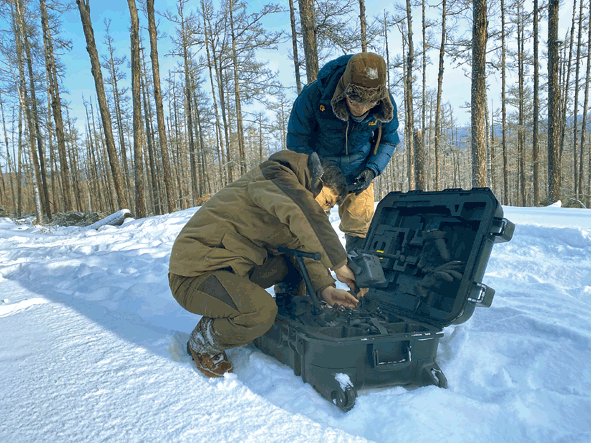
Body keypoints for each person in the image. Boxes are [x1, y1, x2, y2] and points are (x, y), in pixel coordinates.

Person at [168, 150, 366, 378]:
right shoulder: (275, 177)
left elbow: (303, 248)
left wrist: (326, 288)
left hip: (233, 268)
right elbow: (304, 212)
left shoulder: (292, 196)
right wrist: (339, 263)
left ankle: (286, 316)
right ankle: (204, 342)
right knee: (260, 311)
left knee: (295, 265)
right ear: (317, 182)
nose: (324, 210)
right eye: (326, 201)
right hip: (195, 274)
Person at [287, 52, 400, 253]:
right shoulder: (314, 96)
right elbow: (296, 140)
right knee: (306, 227)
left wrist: (373, 169)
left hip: (359, 172)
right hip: (321, 173)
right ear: (344, 92)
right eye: (356, 103)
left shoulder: (385, 102)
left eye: (370, 104)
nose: (362, 110)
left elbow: (389, 140)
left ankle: (359, 280)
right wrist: (314, 166)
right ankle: (310, 281)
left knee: (360, 231)